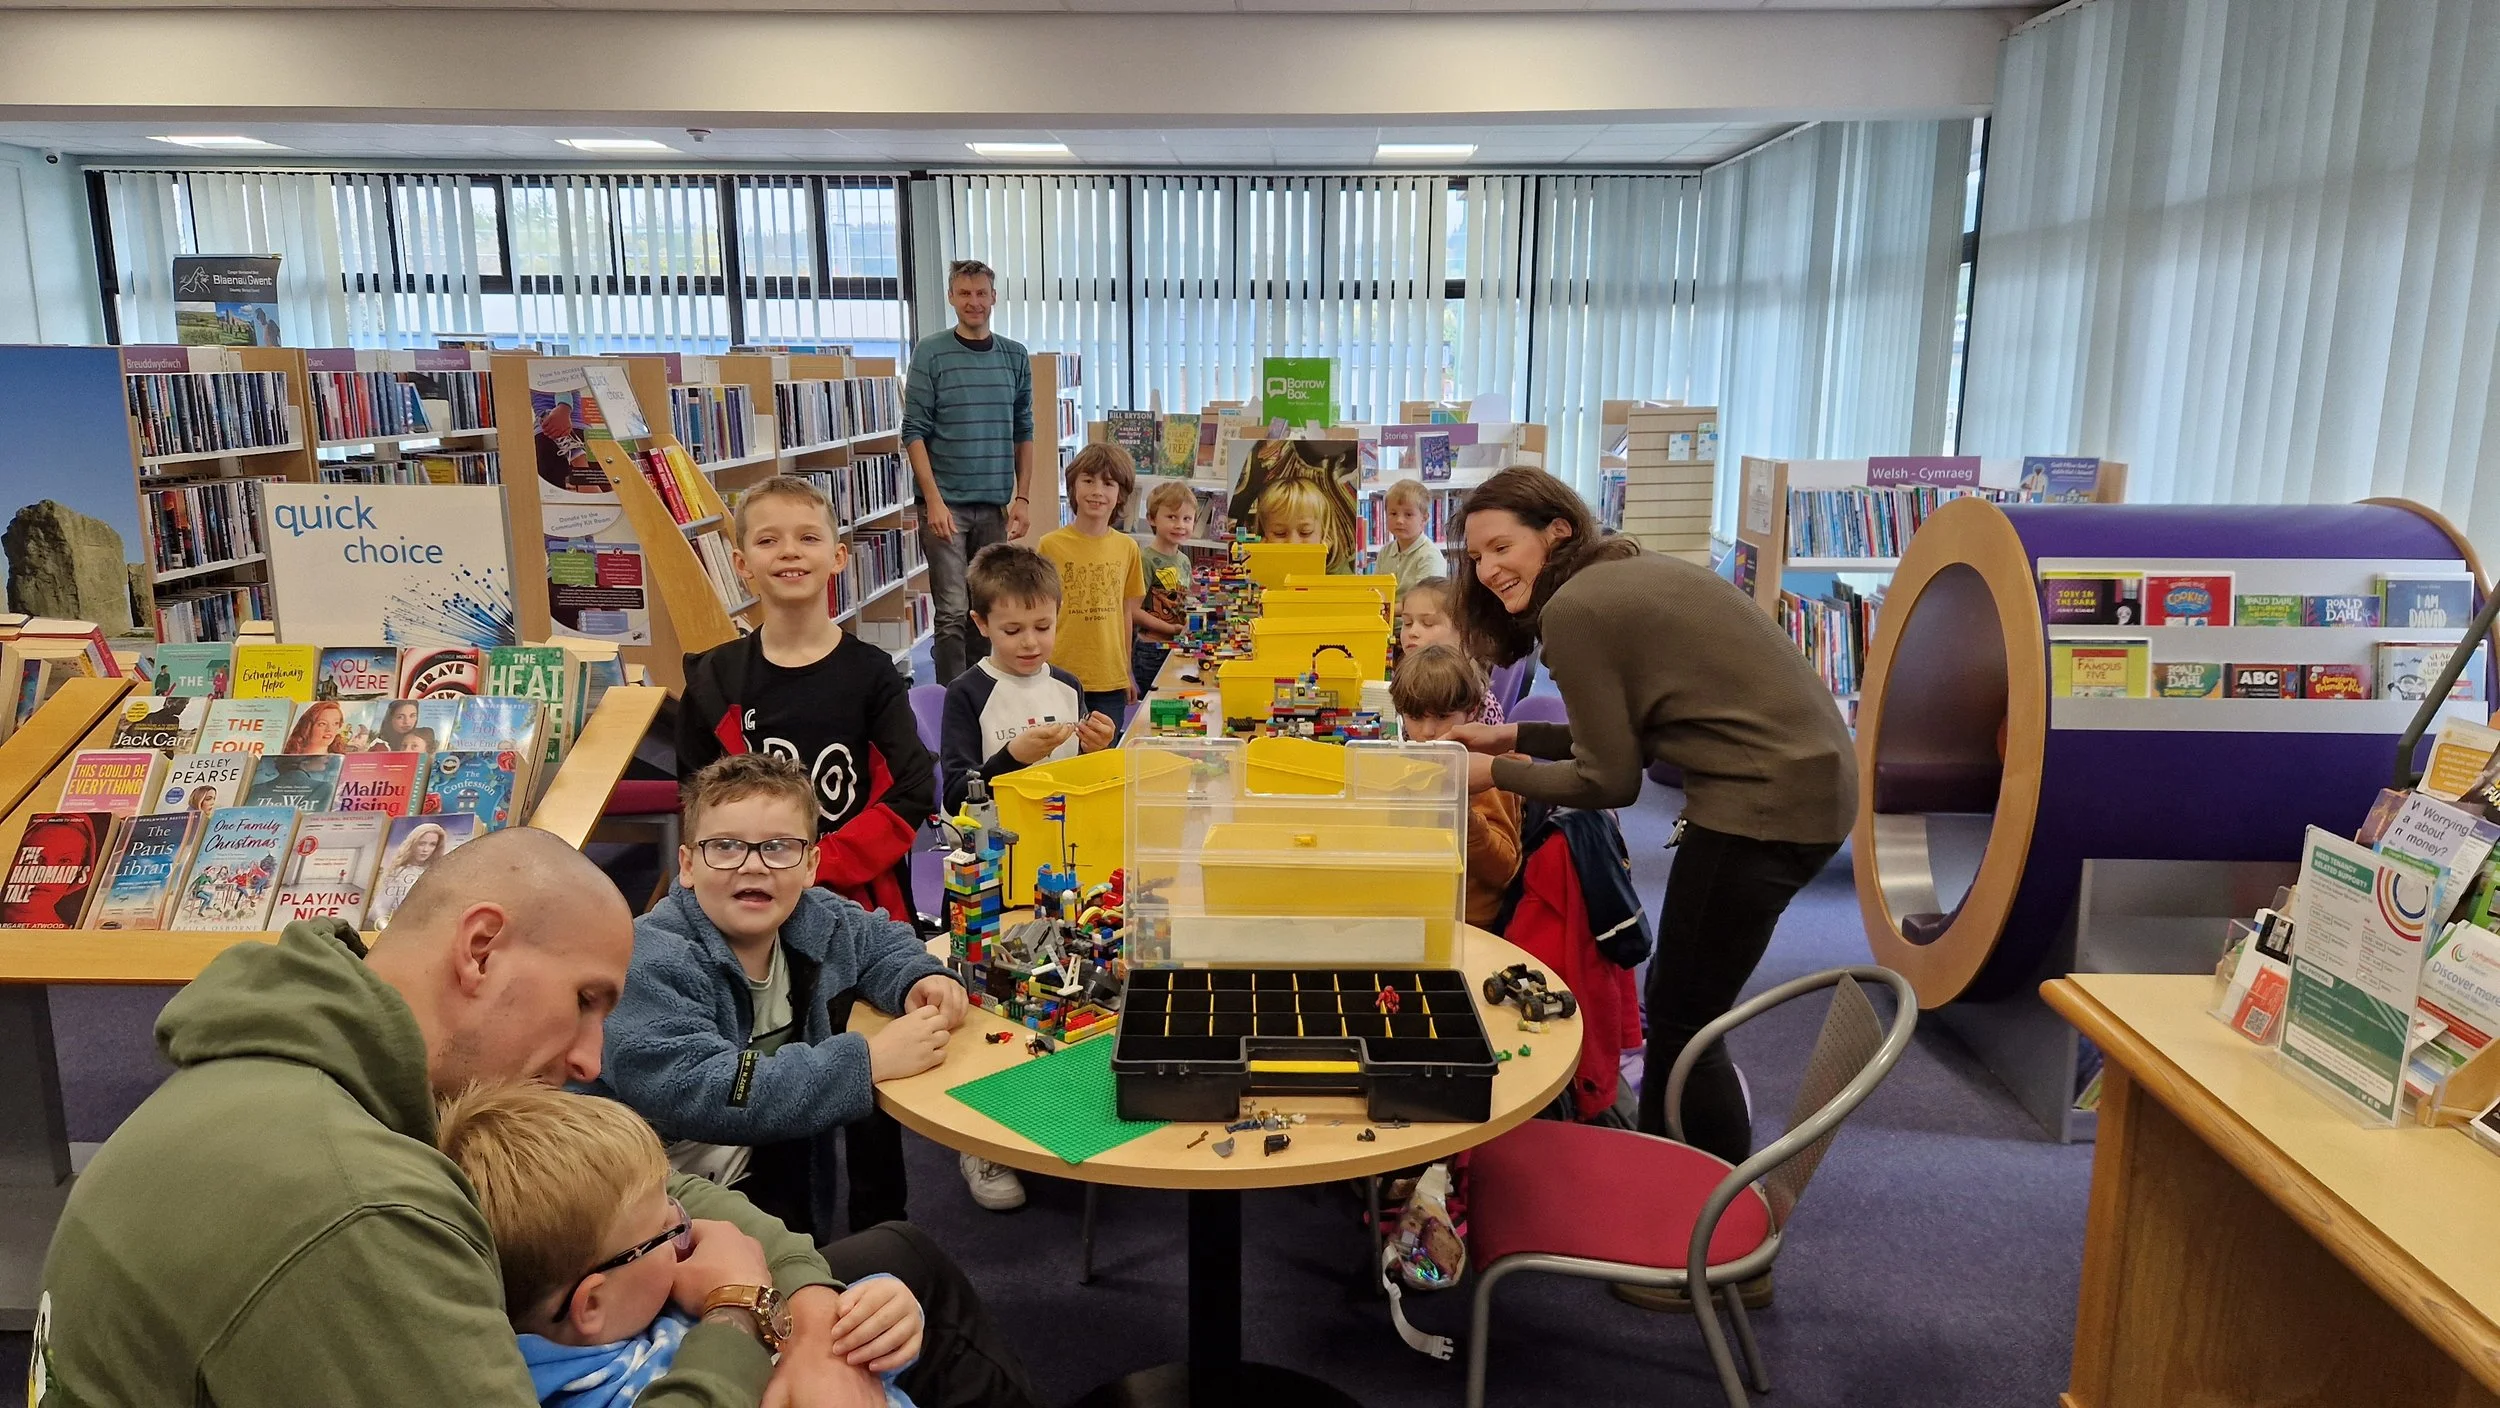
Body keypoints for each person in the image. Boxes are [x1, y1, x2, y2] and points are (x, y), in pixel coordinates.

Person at [33, 827, 1040, 1408]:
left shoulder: (355, 1058)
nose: (593, 1059)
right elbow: (702, 1242)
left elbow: (667, 1194)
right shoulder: (347, 1202)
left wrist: (808, 1319)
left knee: (894, 1261)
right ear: (480, 951)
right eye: (588, 999)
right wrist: (741, 1322)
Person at [1445, 468, 1855, 1172]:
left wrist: (1490, 772)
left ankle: (1707, 1221)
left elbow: (1609, 781)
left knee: (1686, 1021)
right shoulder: (1619, 572)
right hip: (1801, 784)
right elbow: (1621, 738)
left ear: (1558, 530)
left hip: (1763, 802)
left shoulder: (1577, 610)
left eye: (1501, 548)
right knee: (1682, 998)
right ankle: (1671, 1175)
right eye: (1474, 556)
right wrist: (1512, 738)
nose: (1486, 571)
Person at [595, 753, 961, 1237]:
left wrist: (917, 977)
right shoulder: (652, 957)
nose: (753, 867)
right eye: (725, 847)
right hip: (656, 1201)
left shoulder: (816, 917)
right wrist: (865, 1062)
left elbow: (879, 941)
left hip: (776, 1163)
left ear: (810, 864)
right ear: (686, 864)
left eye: (779, 848)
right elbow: (703, 1086)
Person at [439, 1081, 926, 1408]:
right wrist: (742, 1299)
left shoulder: (634, 1301)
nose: (685, 1224)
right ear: (592, 1302)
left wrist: (875, 1320)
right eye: (665, 1230)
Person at [678, 474, 934, 924]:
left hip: (858, 900)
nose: (789, 551)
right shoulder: (713, 681)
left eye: (808, 537)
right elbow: (695, 800)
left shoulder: (871, 673)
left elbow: (909, 791)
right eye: (768, 540)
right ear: (742, 563)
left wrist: (814, 865)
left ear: (838, 557)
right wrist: (760, 865)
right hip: (747, 896)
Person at [904, 259, 1039, 685]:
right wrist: (934, 502)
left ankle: (986, 694)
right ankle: (949, 704)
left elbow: (1024, 430)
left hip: (994, 503)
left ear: (994, 297)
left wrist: (1023, 498)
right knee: (950, 612)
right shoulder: (930, 352)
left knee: (989, 607)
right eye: (964, 294)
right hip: (945, 505)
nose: (973, 302)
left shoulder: (1014, 356)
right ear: (951, 298)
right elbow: (914, 432)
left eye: (981, 293)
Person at [940, 545, 1116, 817]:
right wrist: (1012, 758)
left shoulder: (1068, 686)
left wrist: (1098, 749)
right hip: (995, 844)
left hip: (1061, 832)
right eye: (1012, 630)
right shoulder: (966, 693)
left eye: (1043, 627)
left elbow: (1081, 775)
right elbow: (954, 797)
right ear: (982, 624)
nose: (1030, 642)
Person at [1392, 644, 1521, 930]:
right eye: (1415, 718)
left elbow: (1503, 870)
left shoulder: (1487, 772)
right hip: (1413, 907)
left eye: (1441, 717)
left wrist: (1463, 813)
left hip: (1469, 920)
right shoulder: (1407, 764)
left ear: (1471, 712)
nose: (1426, 732)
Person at [1035, 444, 1145, 724]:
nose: (1097, 491)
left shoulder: (1128, 548)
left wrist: (1126, 671)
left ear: (1120, 494)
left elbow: (1125, 612)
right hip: (1058, 673)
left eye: (1108, 484)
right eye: (1088, 481)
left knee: (1104, 759)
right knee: (1060, 755)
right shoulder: (1050, 545)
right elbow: (1038, 613)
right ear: (1073, 487)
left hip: (1109, 678)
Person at [1397, 577, 1504, 725]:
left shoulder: (1479, 701)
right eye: (1407, 623)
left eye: (1428, 624)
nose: (1412, 632)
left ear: (1463, 631)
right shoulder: (1407, 681)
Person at [1131, 481, 1195, 696]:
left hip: (1178, 645)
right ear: (1151, 519)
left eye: (1187, 519)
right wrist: (1171, 629)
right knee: (1154, 702)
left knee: (1173, 697)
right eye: (1172, 517)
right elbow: (1134, 611)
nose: (1180, 525)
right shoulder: (1145, 559)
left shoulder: (1185, 560)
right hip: (1151, 649)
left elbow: (1185, 600)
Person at [370, 819, 462, 928]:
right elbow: (378, 909)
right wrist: (387, 930)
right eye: (421, 843)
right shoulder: (399, 872)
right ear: (412, 843)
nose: (426, 849)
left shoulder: (438, 872)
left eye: (432, 844)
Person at [1375, 478, 1447, 591]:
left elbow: (1425, 600)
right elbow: (1377, 590)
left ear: (1424, 518)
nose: (1399, 520)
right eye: (1393, 513)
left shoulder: (1429, 556)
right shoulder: (1385, 552)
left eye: (1408, 514)